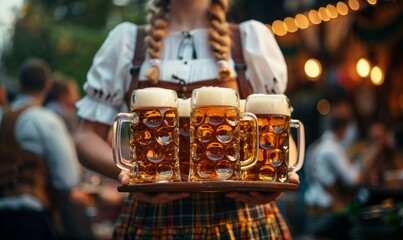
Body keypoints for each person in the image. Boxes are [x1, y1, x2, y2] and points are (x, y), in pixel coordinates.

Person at [74, 0, 299, 239]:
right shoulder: (127, 41)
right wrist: (133, 175)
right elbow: (86, 136)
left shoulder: (250, 39)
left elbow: (281, 138)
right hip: (154, 218)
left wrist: (279, 176)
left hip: (242, 216)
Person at [0, 58, 81, 239]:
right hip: (31, 220)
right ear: (47, 86)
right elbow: (67, 179)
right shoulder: (45, 120)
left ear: (20, 84)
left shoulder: (2, 117)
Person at [304, 100, 362, 239]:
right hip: (325, 217)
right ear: (344, 128)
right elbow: (353, 179)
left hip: (310, 211)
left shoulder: (315, 145)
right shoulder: (332, 148)